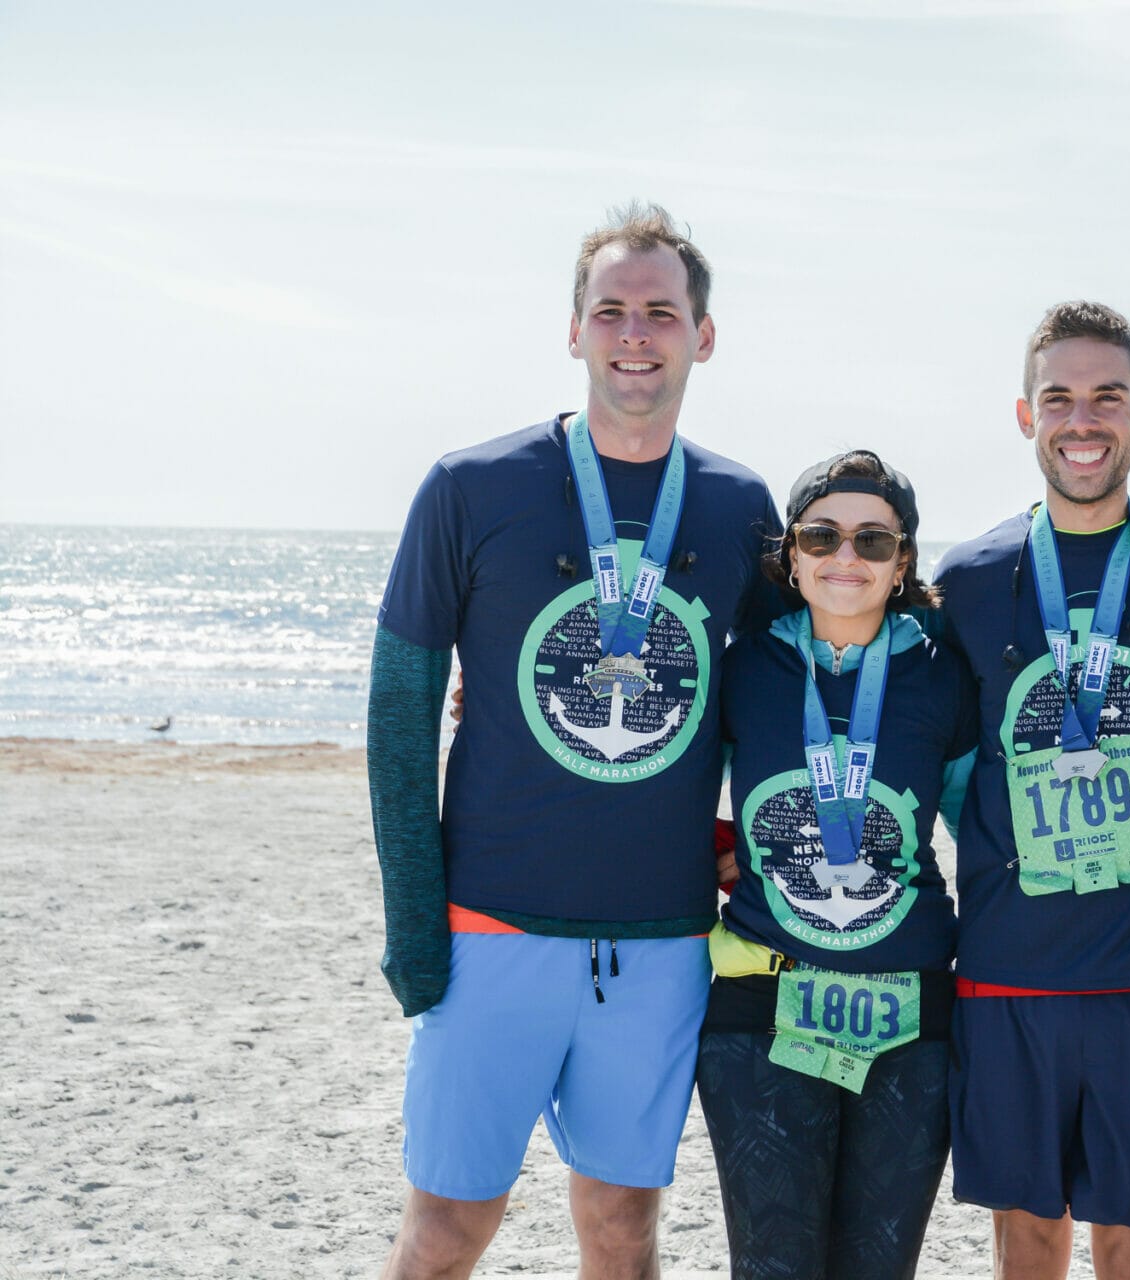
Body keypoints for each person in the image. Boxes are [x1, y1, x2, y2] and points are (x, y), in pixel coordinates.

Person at [367, 202, 781, 1280]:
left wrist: (745, 848)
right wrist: (415, 925)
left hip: (657, 944)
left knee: (622, 1225)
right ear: (574, 330)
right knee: (446, 1230)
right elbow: (398, 713)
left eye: (661, 311)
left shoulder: (743, 507)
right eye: (612, 311)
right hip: (490, 925)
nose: (635, 333)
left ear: (704, 334)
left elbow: (771, 704)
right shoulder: (470, 487)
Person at [933, 301, 1130, 1280]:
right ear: (1025, 416)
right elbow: (929, 753)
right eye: (1057, 397)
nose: (1083, 420)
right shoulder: (971, 577)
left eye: (1107, 396)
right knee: (1026, 1238)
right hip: (1006, 966)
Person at [697, 450, 976, 1280]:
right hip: (764, 1009)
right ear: (791, 554)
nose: (845, 557)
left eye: (873, 541)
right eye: (821, 535)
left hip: (911, 1017)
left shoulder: (945, 680)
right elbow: (659, 797)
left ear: (904, 564)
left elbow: (984, 831)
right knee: (773, 1267)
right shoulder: (741, 668)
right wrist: (722, 848)